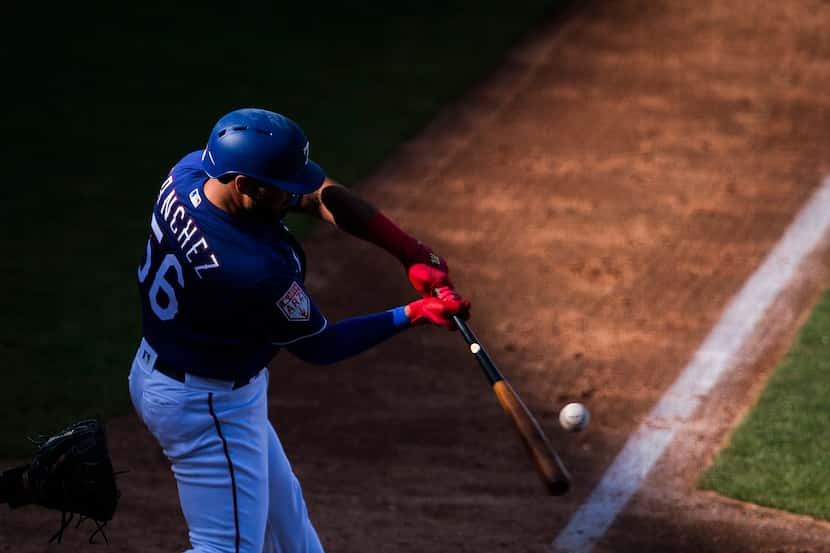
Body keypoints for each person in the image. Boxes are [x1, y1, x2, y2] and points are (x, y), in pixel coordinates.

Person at [128, 107, 470, 553]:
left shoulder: (190, 173)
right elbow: (321, 346)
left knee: (292, 536)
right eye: (282, 187)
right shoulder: (254, 270)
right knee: (226, 548)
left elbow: (316, 195)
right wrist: (415, 313)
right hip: (204, 405)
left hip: (183, 374)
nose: (297, 193)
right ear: (245, 186)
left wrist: (409, 251)